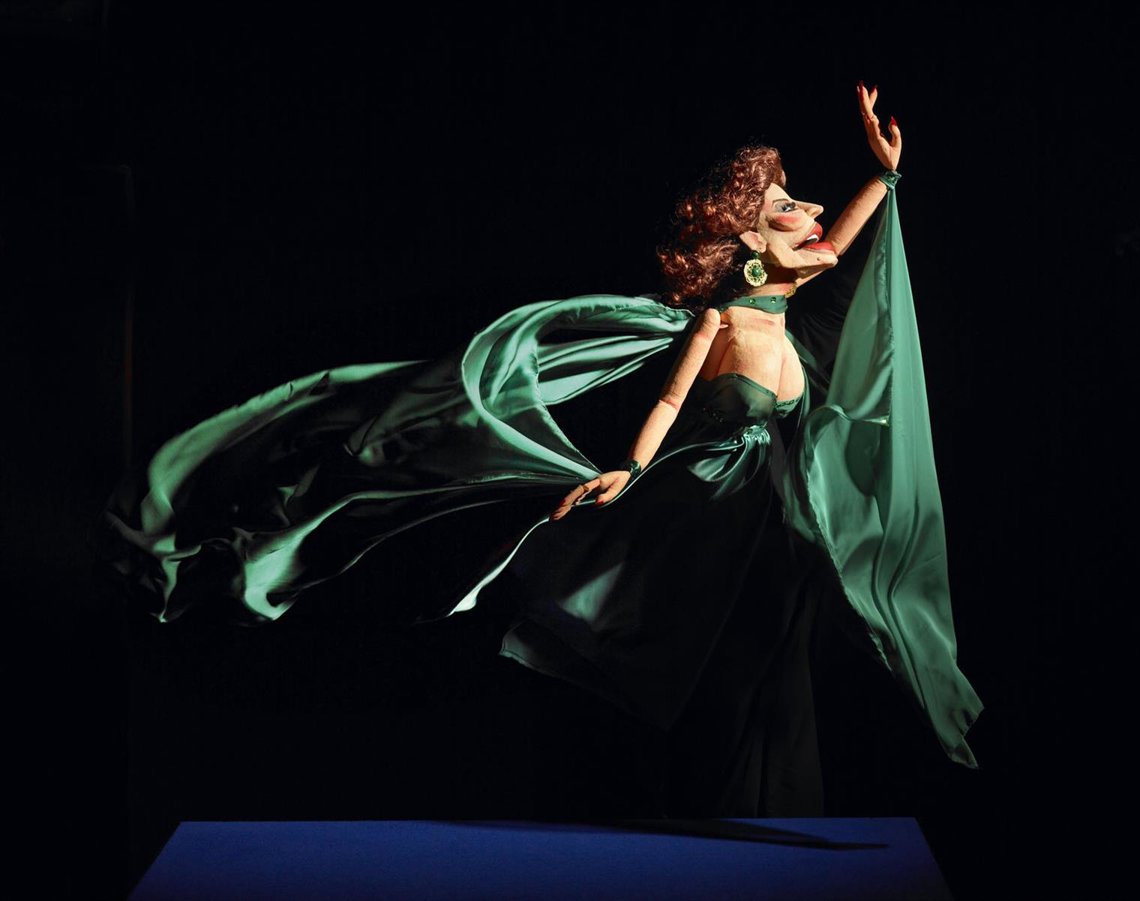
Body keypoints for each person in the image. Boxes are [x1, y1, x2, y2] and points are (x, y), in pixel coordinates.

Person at [100, 83, 982, 818]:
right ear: (750, 243)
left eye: (806, 202)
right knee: (708, 666)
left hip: (778, 522)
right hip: (702, 522)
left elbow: (841, 242)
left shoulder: (789, 319)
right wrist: (629, 468)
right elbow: (668, 403)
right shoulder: (718, 324)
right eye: (788, 207)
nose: (813, 213)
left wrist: (884, 173)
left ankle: (767, 811)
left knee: (779, 667)